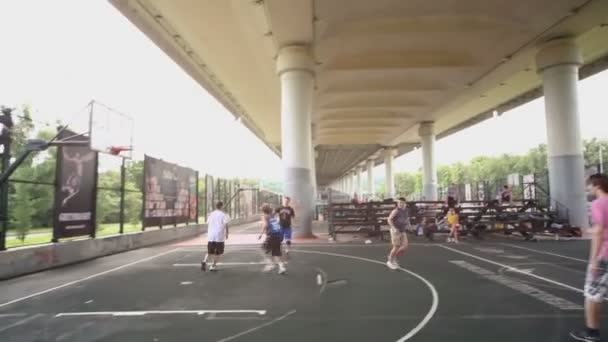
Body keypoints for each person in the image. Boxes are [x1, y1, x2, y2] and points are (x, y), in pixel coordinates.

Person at [571, 174, 608, 342]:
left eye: (589, 186)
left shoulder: (597, 204)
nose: (588, 189)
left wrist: (594, 260)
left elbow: (599, 232)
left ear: (596, 185)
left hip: (604, 256)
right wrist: (587, 231)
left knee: (593, 294)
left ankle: (591, 332)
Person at [202, 201, 229, 272]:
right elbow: (226, 224)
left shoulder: (211, 214)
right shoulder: (223, 215)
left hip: (211, 235)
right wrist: (227, 234)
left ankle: (204, 261)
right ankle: (213, 266)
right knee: (218, 252)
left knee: (210, 251)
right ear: (222, 206)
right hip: (219, 236)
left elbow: (208, 223)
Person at [259, 204, 286, 275]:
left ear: (263, 211)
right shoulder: (272, 216)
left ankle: (270, 264)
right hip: (278, 235)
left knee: (263, 249)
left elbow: (265, 225)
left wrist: (261, 234)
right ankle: (281, 267)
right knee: (276, 253)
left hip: (272, 236)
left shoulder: (265, 216)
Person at [386, 197, 410, 270]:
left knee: (405, 246)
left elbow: (406, 218)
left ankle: (393, 257)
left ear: (405, 203)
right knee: (396, 246)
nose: (400, 204)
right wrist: (393, 228)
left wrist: (408, 224)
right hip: (396, 230)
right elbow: (389, 219)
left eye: (402, 203)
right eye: (399, 203)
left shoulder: (406, 210)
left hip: (403, 230)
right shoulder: (396, 211)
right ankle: (390, 261)